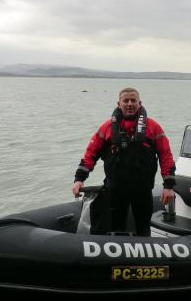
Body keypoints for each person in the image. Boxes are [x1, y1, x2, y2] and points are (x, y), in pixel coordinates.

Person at [72, 87, 176, 236]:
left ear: (139, 103)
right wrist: (79, 179)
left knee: (143, 229)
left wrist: (169, 186)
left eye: (133, 100)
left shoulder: (153, 127)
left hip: (143, 189)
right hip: (115, 189)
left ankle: (144, 256)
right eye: (125, 100)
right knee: (114, 228)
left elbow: (166, 156)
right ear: (118, 104)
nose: (129, 104)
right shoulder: (107, 127)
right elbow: (91, 153)